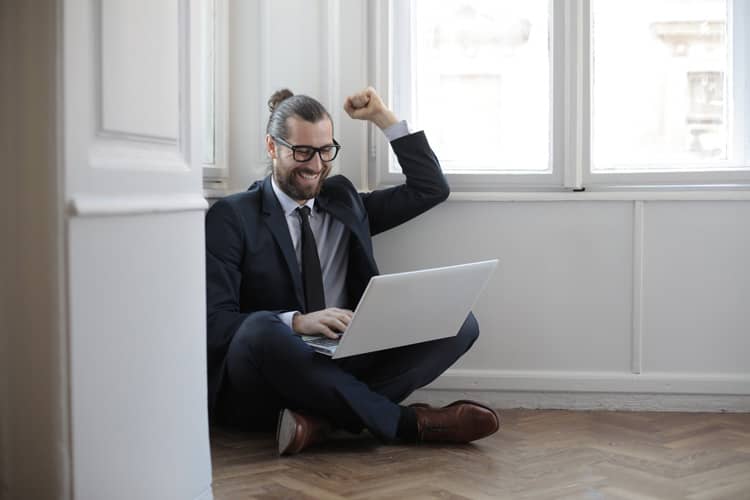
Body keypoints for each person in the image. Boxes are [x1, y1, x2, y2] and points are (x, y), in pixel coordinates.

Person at [205, 86, 499, 455]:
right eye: (301, 152)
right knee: (261, 330)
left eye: (325, 151)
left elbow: (430, 188)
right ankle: (405, 424)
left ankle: (320, 422)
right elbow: (215, 322)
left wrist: (383, 119)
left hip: (345, 356)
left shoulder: (342, 201)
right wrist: (296, 321)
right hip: (273, 368)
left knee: (460, 321)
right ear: (271, 147)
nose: (315, 165)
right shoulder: (233, 217)